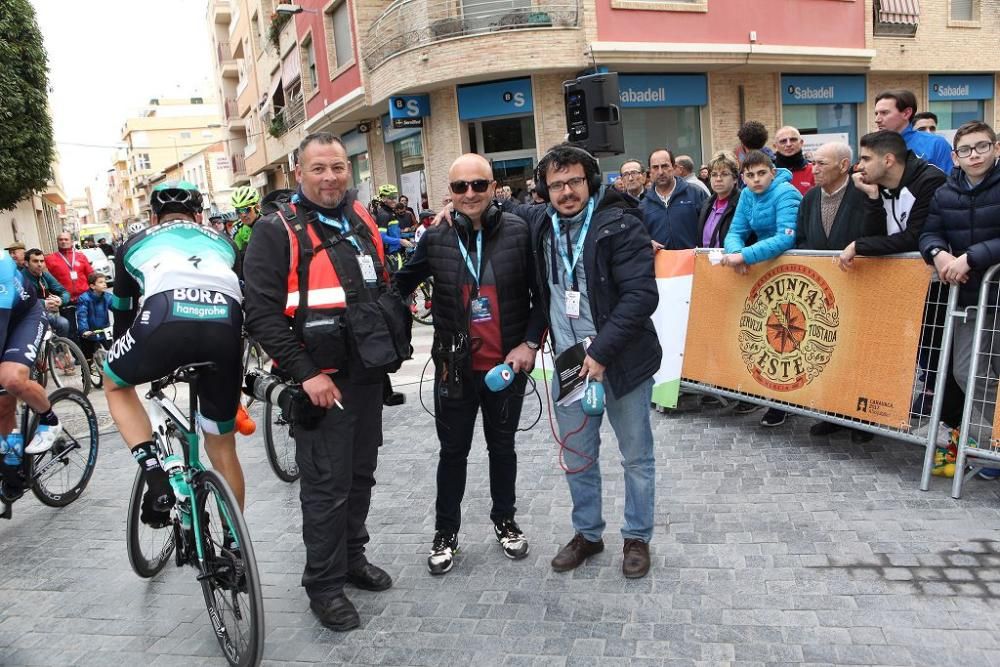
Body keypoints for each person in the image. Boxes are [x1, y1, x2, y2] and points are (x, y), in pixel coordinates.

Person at [244, 133, 404, 631]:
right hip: (320, 384)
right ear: (299, 173)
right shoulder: (277, 232)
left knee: (359, 477)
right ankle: (324, 586)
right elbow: (262, 315)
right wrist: (306, 373)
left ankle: (352, 560)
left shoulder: (361, 221)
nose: (330, 177)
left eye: (337, 167)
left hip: (364, 377)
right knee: (326, 488)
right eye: (319, 169)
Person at [510, 144, 661, 579]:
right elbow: (543, 293)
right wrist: (455, 214)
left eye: (574, 181)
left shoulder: (619, 224)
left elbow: (640, 297)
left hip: (621, 362)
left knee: (636, 457)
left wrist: (601, 353)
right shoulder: (540, 224)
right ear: (544, 191)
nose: (566, 191)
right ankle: (588, 534)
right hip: (570, 364)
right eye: (556, 184)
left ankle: (636, 538)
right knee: (577, 455)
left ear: (590, 182)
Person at [394, 154, 542, 575]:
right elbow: (400, 284)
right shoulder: (437, 235)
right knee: (452, 453)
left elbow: (541, 297)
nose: (470, 193)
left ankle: (505, 520)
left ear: (494, 187)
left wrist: (530, 343)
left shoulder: (519, 230)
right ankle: (446, 532)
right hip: (453, 369)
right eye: (461, 187)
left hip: (505, 368)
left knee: (503, 449)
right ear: (450, 193)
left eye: (479, 185)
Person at [104, 180, 247, 536]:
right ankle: (234, 545)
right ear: (199, 216)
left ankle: (155, 475)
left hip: (164, 321)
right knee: (222, 445)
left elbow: (122, 312)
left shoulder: (132, 244)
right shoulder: (225, 241)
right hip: (224, 330)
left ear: (153, 218)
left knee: (114, 384)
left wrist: (127, 353)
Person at [920, 121, 1000, 477]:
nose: (974, 155)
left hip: (994, 289)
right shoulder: (945, 192)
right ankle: (990, 446)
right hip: (970, 298)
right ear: (955, 157)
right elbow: (929, 232)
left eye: (981, 147)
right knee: (967, 370)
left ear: (996, 149)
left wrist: (971, 256)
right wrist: (938, 253)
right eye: (966, 150)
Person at [793, 142, 872, 442]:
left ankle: (861, 420)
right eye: (813, 163)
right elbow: (801, 238)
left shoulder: (862, 195)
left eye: (821, 163)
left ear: (844, 165)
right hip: (820, 291)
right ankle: (832, 413)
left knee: (856, 353)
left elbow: (871, 234)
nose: (814, 169)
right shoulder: (810, 198)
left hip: (856, 286)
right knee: (825, 350)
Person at [722, 149, 803, 428]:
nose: (756, 180)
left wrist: (745, 256)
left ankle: (785, 403)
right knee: (768, 337)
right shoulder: (746, 195)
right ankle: (773, 397)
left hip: (793, 270)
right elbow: (735, 231)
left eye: (761, 174)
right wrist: (737, 253)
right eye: (749, 175)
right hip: (765, 269)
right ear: (743, 177)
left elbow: (786, 238)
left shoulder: (787, 193)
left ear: (772, 172)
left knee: (790, 340)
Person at [0, 252, 64, 516]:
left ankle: (49, 418)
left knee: (11, 379)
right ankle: (13, 466)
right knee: (3, 407)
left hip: (22, 317)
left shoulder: (1, 265)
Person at [639, 148, 708, 250]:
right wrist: (647, 242)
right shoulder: (644, 205)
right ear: (650, 171)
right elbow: (640, 238)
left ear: (674, 167)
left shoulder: (696, 193)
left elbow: (711, 229)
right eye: (655, 167)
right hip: (662, 264)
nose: (660, 172)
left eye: (665, 166)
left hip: (694, 262)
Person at [874, 89, 953, 175]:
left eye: (884, 113)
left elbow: (949, 182)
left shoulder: (936, 144)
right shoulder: (873, 146)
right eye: (876, 114)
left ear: (906, 113)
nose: (877, 120)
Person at [45, 232, 93, 340]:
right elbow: (45, 280)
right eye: (61, 239)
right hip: (66, 300)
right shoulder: (50, 259)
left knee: (87, 327)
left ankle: (89, 354)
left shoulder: (81, 256)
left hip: (84, 298)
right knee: (71, 330)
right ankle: (76, 354)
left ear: (71, 241)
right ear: (57, 242)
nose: (63, 241)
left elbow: (90, 275)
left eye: (66, 239)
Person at [20, 248, 70, 337]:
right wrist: (44, 303)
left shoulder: (45, 275)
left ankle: (58, 348)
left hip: (46, 312)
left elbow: (64, 292)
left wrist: (61, 300)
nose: (39, 264)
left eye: (42, 261)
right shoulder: (21, 278)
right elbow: (23, 301)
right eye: (35, 261)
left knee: (64, 323)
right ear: (27, 263)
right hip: (27, 316)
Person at [76, 272, 113, 368]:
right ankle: (87, 373)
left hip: (104, 330)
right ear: (92, 286)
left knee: (112, 352)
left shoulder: (107, 297)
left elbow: (117, 309)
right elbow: (82, 315)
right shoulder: (84, 298)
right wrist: (84, 330)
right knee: (87, 357)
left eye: (105, 282)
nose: (104, 284)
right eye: (101, 282)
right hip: (90, 331)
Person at [772, 126, 815, 195]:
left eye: (793, 140)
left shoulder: (814, 171)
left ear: (801, 143)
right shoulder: (768, 173)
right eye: (783, 141)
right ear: (775, 146)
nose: (788, 144)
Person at [231, 185, 261, 253]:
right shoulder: (237, 228)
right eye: (239, 211)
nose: (243, 215)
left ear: (257, 207)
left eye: (246, 209)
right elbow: (237, 254)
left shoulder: (269, 222)